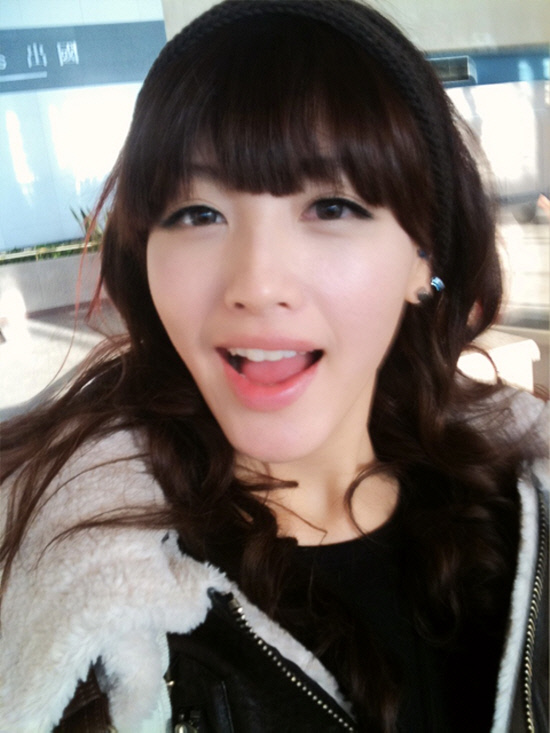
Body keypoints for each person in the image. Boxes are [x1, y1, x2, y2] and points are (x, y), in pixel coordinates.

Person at [0, 0, 548, 731]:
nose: (256, 285)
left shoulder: (525, 519)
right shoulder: (79, 602)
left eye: (331, 206)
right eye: (196, 214)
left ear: (426, 258)